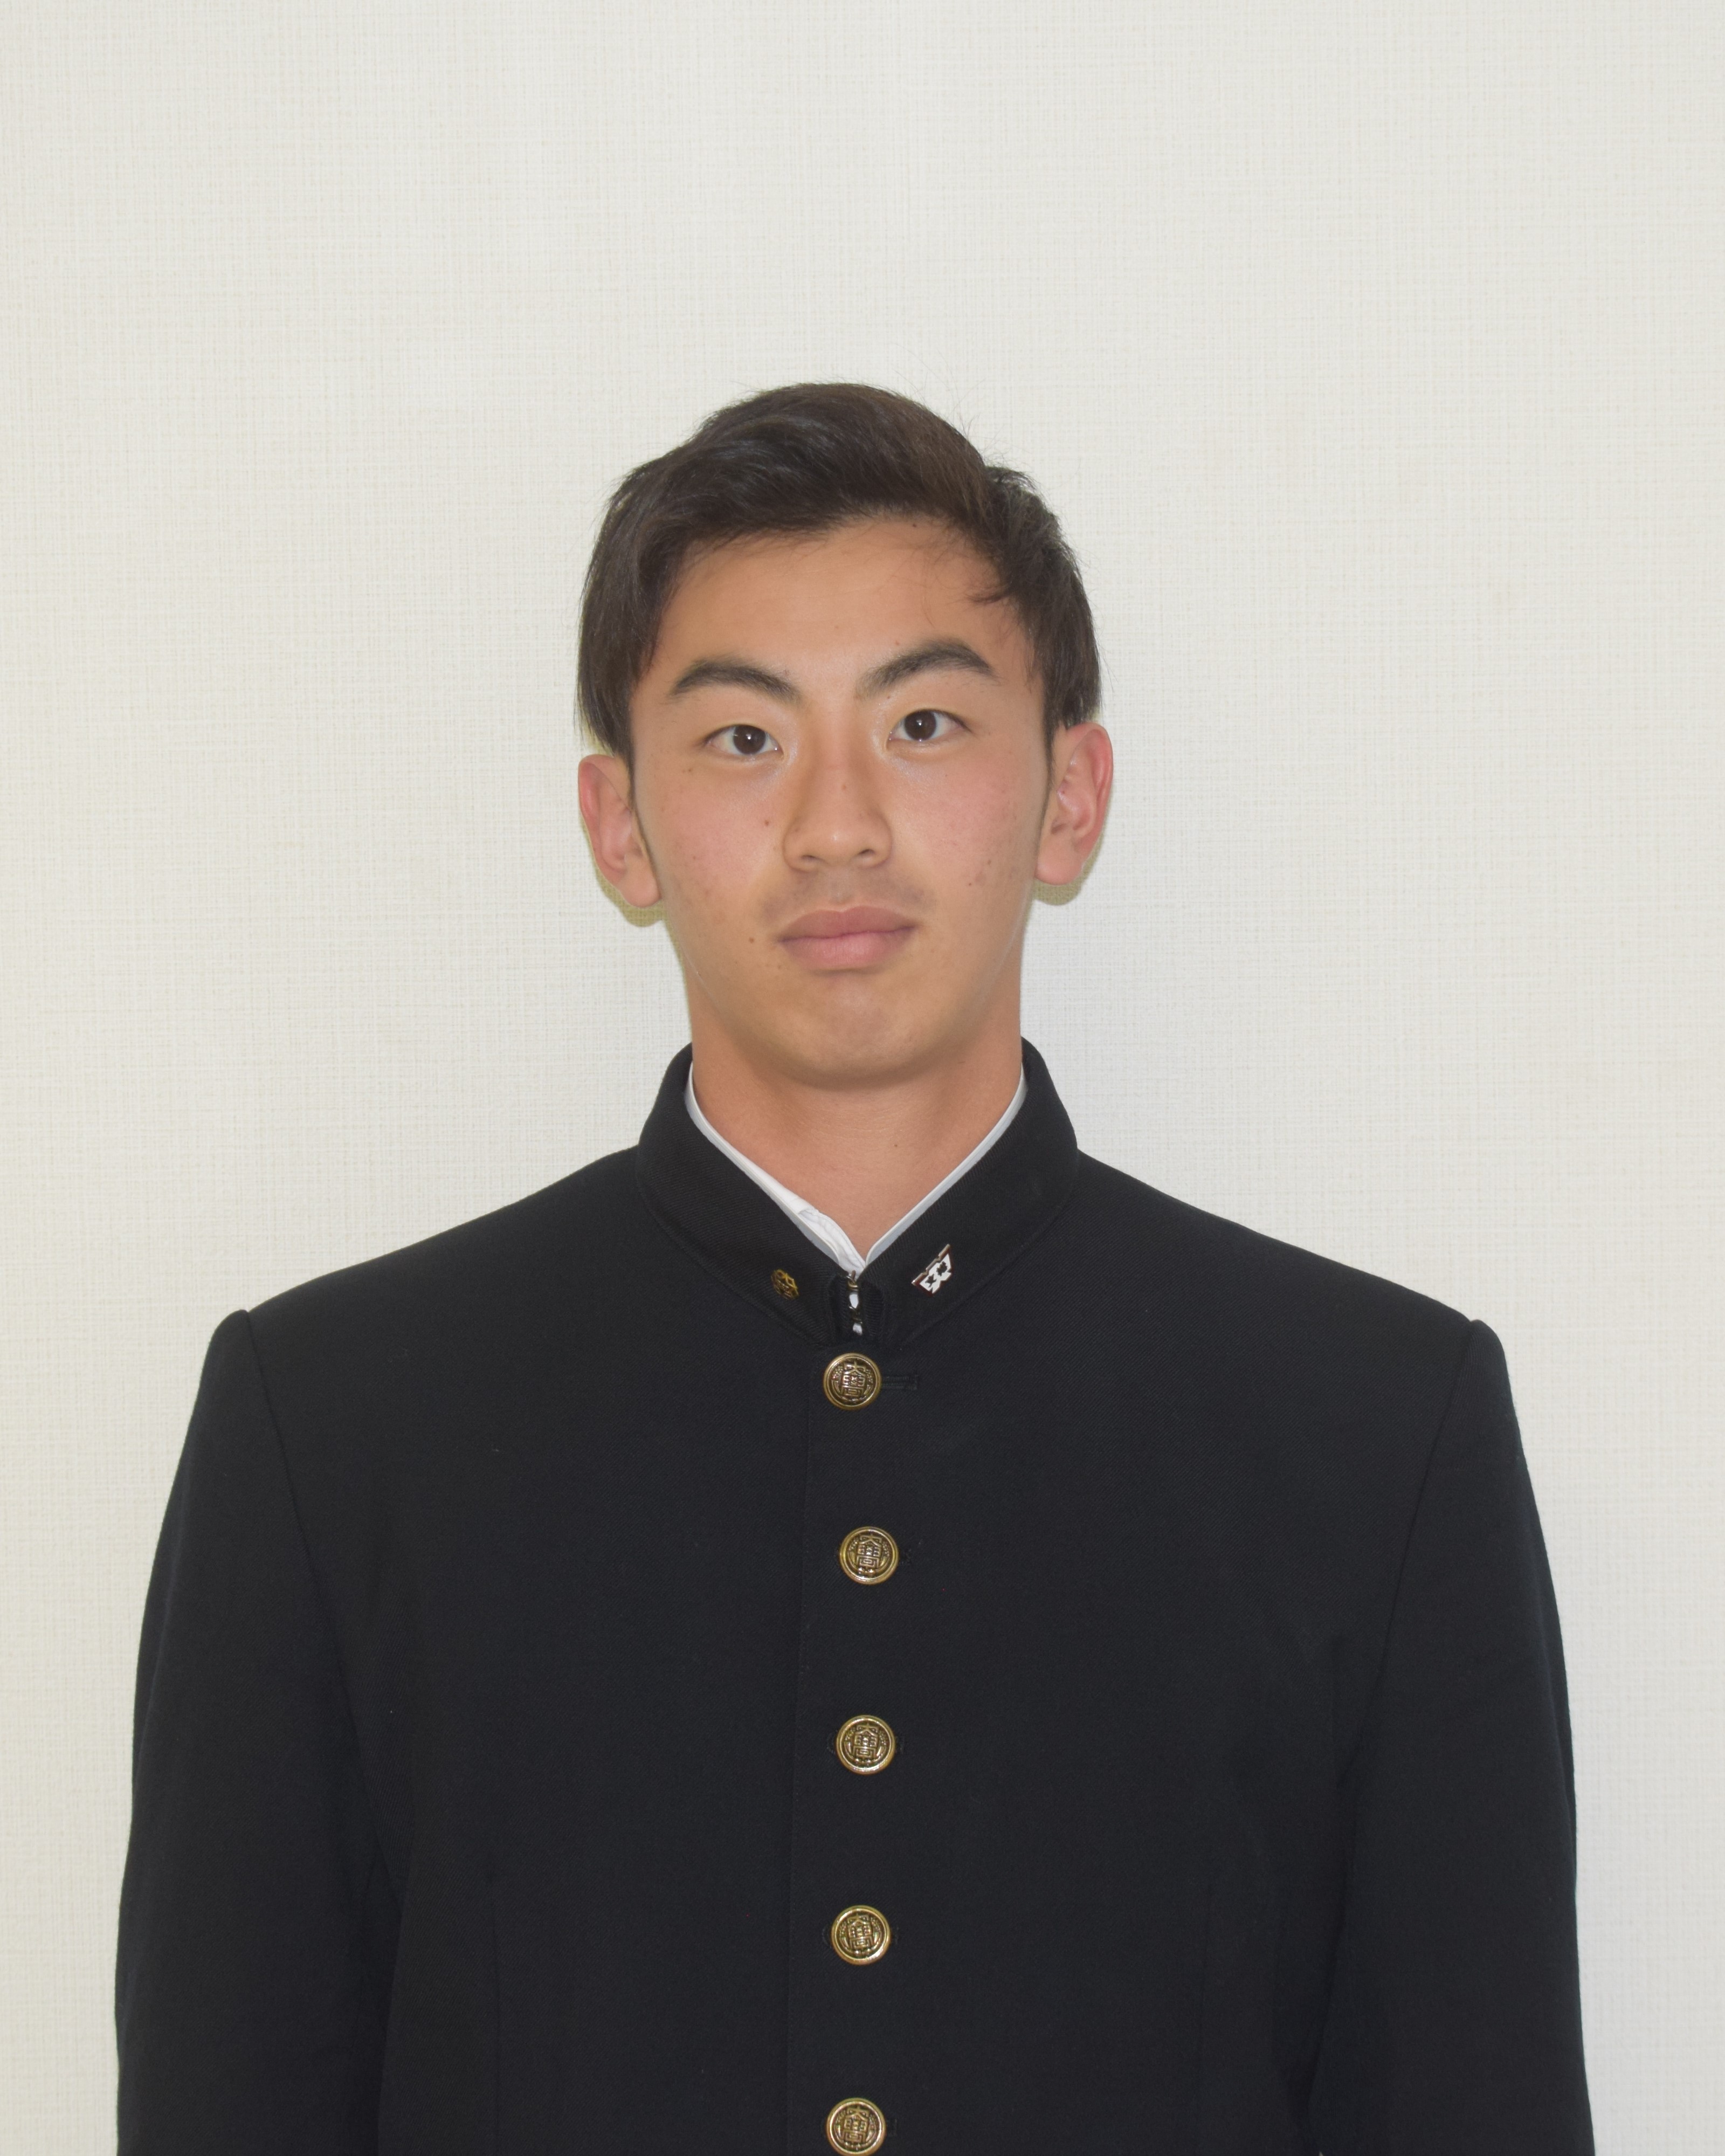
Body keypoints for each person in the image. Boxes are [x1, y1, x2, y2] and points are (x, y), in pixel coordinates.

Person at [116, 383, 1593, 2154]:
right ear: (619, 824)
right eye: (745, 738)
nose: (837, 825)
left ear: (1069, 796)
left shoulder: (1378, 1435)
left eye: (924, 723)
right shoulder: (333, 1430)